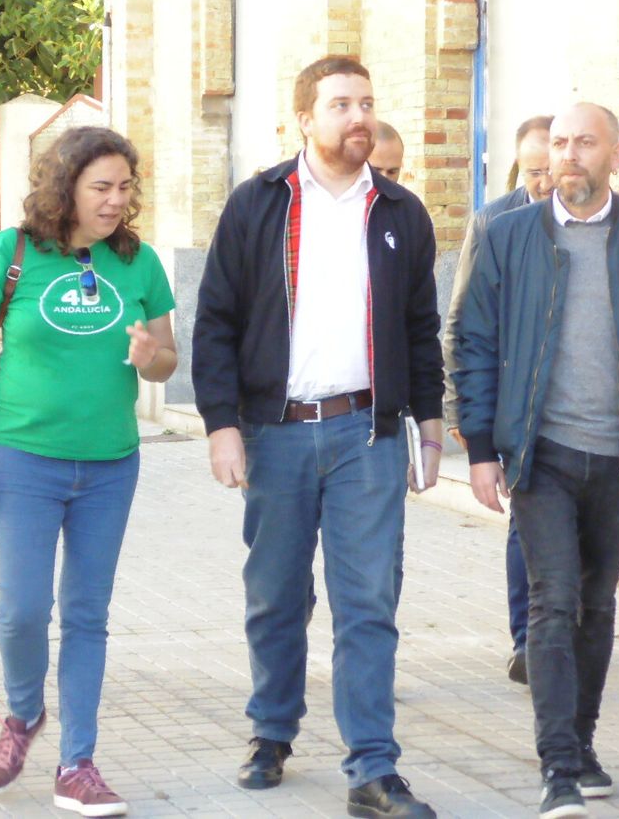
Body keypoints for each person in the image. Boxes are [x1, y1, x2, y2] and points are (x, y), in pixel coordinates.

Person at [192, 56, 444, 819]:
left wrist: (429, 426)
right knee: (275, 595)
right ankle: (272, 730)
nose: (358, 117)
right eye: (341, 104)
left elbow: (421, 330)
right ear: (305, 118)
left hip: (368, 434)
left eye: (367, 102)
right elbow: (216, 322)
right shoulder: (259, 204)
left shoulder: (400, 212)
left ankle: (373, 766)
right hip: (276, 433)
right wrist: (221, 425)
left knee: (369, 600)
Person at [451, 102, 619, 819]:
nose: (569, 155)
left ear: (616, 156)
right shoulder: (508, 236)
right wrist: (479, 447)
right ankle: (558, 766)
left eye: (584, 144)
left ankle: (584, 742)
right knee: (554, 599)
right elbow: (472, 343)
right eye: (560, 143)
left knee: (597, 604)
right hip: (543, 453)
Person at [0, 125, 177, 817]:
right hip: (24, 455)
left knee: (86, 613)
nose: (115, 201)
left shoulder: (139, 263)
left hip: (110, 463)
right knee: (22, 610)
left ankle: (77, 763)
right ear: (65, 186)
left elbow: (168, 358)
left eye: (124, 187)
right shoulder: (13, 253)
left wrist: (148, 356)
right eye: (100, 187)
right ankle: (22, 717)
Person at [442, 113, 552, 684]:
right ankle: (527, 640)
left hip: (580, 408)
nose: (544, 183)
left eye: (550, 170)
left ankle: (564, 630)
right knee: (527, 524)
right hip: (517, 404)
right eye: (533, 171)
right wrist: (464, 411)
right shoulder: (495, 222)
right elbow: (463, 320)